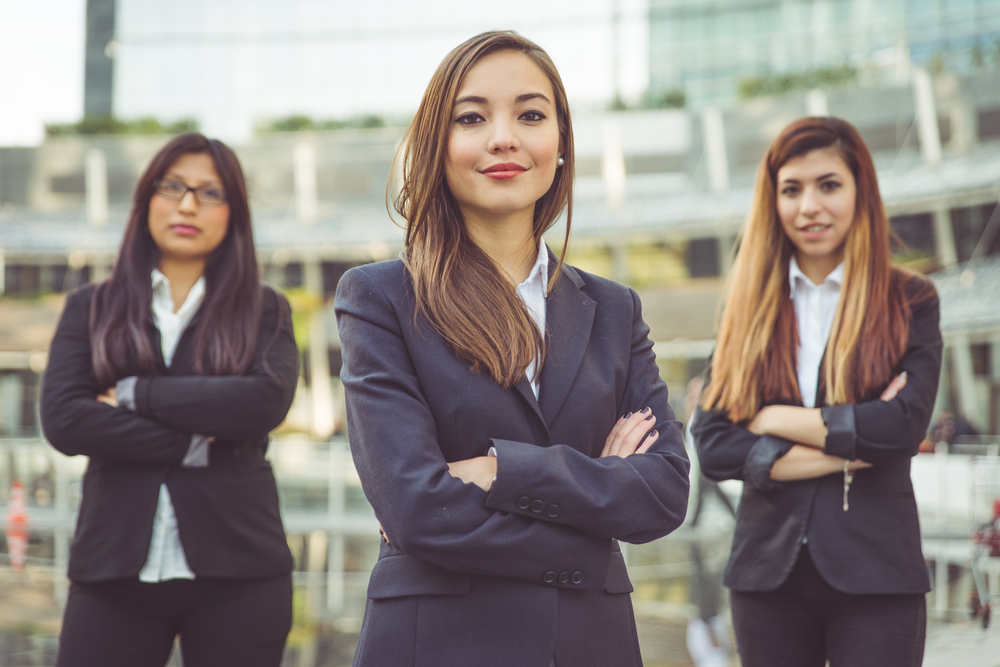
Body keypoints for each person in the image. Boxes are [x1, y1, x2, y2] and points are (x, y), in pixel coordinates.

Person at [335, 30, 690, 667]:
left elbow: (662, 492)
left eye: (531, 114)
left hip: (591, 642)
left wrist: (498, 470)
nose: (503, 137)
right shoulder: (379, 298)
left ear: (560, 147)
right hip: (440, 641)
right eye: (471, 118)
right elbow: (415, 508)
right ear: (436, 148)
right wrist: (594, 516)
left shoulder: (614, 309)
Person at [40, 133, 299, 667]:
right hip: (113, 572)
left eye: (210, 193)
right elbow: (66, 420)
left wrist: (136, 393)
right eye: (173, 187)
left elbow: (261, 404)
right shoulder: (89, 308)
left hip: (241, 572)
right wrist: (192, 441)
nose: (187, 205)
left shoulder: (265, 309)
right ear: (146, 200)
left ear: (234, 213)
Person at [691, 116, 942, 666]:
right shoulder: (748, 308)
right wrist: (854, 449)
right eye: (791, 189)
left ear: (860, 192)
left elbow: (903, 428)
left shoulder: (910, 300)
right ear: (773, 200)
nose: (809, 206)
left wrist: (769, 418)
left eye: (829, 185)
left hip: (877, 576)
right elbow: (712, 445)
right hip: (766, 577)